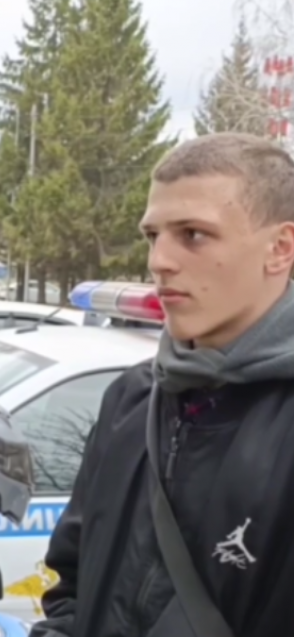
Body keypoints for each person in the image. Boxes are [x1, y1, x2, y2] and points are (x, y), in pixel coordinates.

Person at [31, 132, 294, 637]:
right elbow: (72, 587)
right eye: (153, 235)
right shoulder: (130, 399)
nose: (159, 261)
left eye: (193, 234)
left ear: (280, 249)